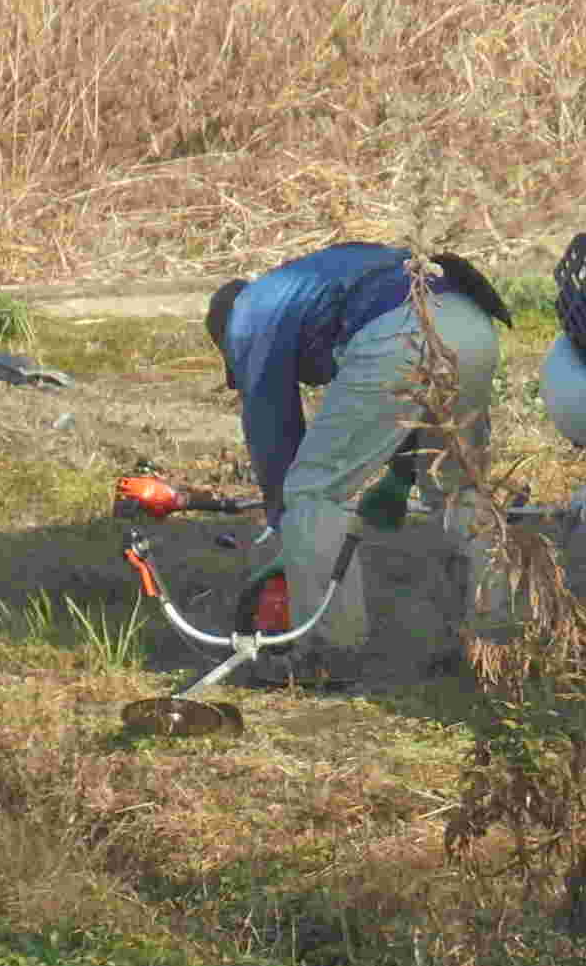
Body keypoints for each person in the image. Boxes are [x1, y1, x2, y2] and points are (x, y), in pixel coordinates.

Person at [205, 244, 510, 667]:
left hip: (399, 332)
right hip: (471, 320)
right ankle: (491, 641)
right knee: (461, 488)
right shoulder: (313, 281)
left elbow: (272, 427)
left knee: (313, 491)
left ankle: (329, 650)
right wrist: (401, 477)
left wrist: (286, 529)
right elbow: (405, 411)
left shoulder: (247, 316)